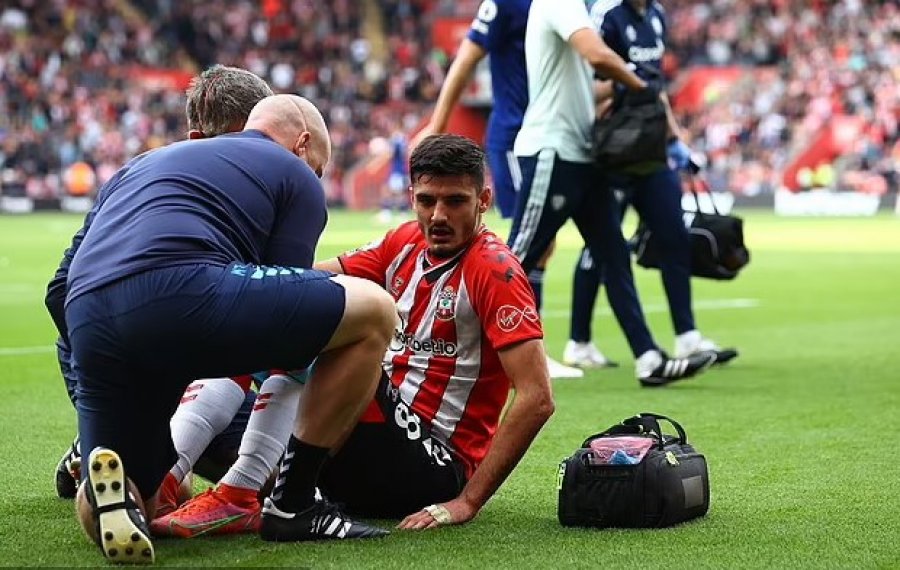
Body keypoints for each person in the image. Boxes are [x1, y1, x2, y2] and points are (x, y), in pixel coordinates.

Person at [150, 133, 555, 536]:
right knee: (242, 345)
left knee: (323, 335)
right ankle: (160, 475)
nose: (438, 217)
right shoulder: (404, 241)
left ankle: (244, 495)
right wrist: (234, 288)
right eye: (427, 201)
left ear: (483, 201)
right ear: (412, 195)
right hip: (361, 438)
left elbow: (537, 397)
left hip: (431, 462)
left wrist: (468, 501)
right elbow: (308, 279)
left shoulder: (494, 270)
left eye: (455, 201)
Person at [66, 94, 397, 564]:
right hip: (179, 288)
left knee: (138, 485)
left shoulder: (143, 161)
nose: (315, 178)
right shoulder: (295, 172)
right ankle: (294, 503)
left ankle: (115, 496)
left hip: (89, 315)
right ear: (302, 144)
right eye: (319, 167)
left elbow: (65, 280)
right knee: (372, 310)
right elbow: (288, 328)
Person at [48, 65, 276, 501]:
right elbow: (63, 291)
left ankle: (105, 443)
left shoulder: (140, 174)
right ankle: (123, 444)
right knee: (182, 479)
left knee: (254, 471)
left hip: (182, 377)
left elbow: (60, 290)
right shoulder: (153, 180)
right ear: (196, 141)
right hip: (151, 371)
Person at [507, 0, 716, 386]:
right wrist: (641, 86)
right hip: (552, 150)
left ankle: (648, 358)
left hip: (583, 153)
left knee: (615, 255)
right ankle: (450, 340)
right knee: (516, 258)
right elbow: (596, 55)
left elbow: (592, 76)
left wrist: (629, 88)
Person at [563, 0, 738, 368]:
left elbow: (655, 88)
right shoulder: (606, 14)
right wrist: (626, 84)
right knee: (602, 246)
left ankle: (687, 338)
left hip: (652, 149)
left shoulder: (656, 15)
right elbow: (583, 87)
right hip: (614, 150)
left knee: (674, 236)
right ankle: (579, 341)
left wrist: (676, 140)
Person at [421, 0, 588, 378]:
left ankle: (516, 345)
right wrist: (438, 125)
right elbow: (466, 57)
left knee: (541, 244)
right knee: (530, 243)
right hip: (518, 135)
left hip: (546, 133)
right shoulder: (505, 3)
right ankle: (510, 346)